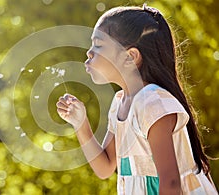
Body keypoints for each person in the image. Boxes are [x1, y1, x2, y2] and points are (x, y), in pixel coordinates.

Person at [56, 4, 218, 195]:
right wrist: (80, 123)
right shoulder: (120, 103)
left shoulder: (152, 103)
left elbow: (171, 183)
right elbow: (105, 167)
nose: (89, 52)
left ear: (130, 57)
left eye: (98, 45)